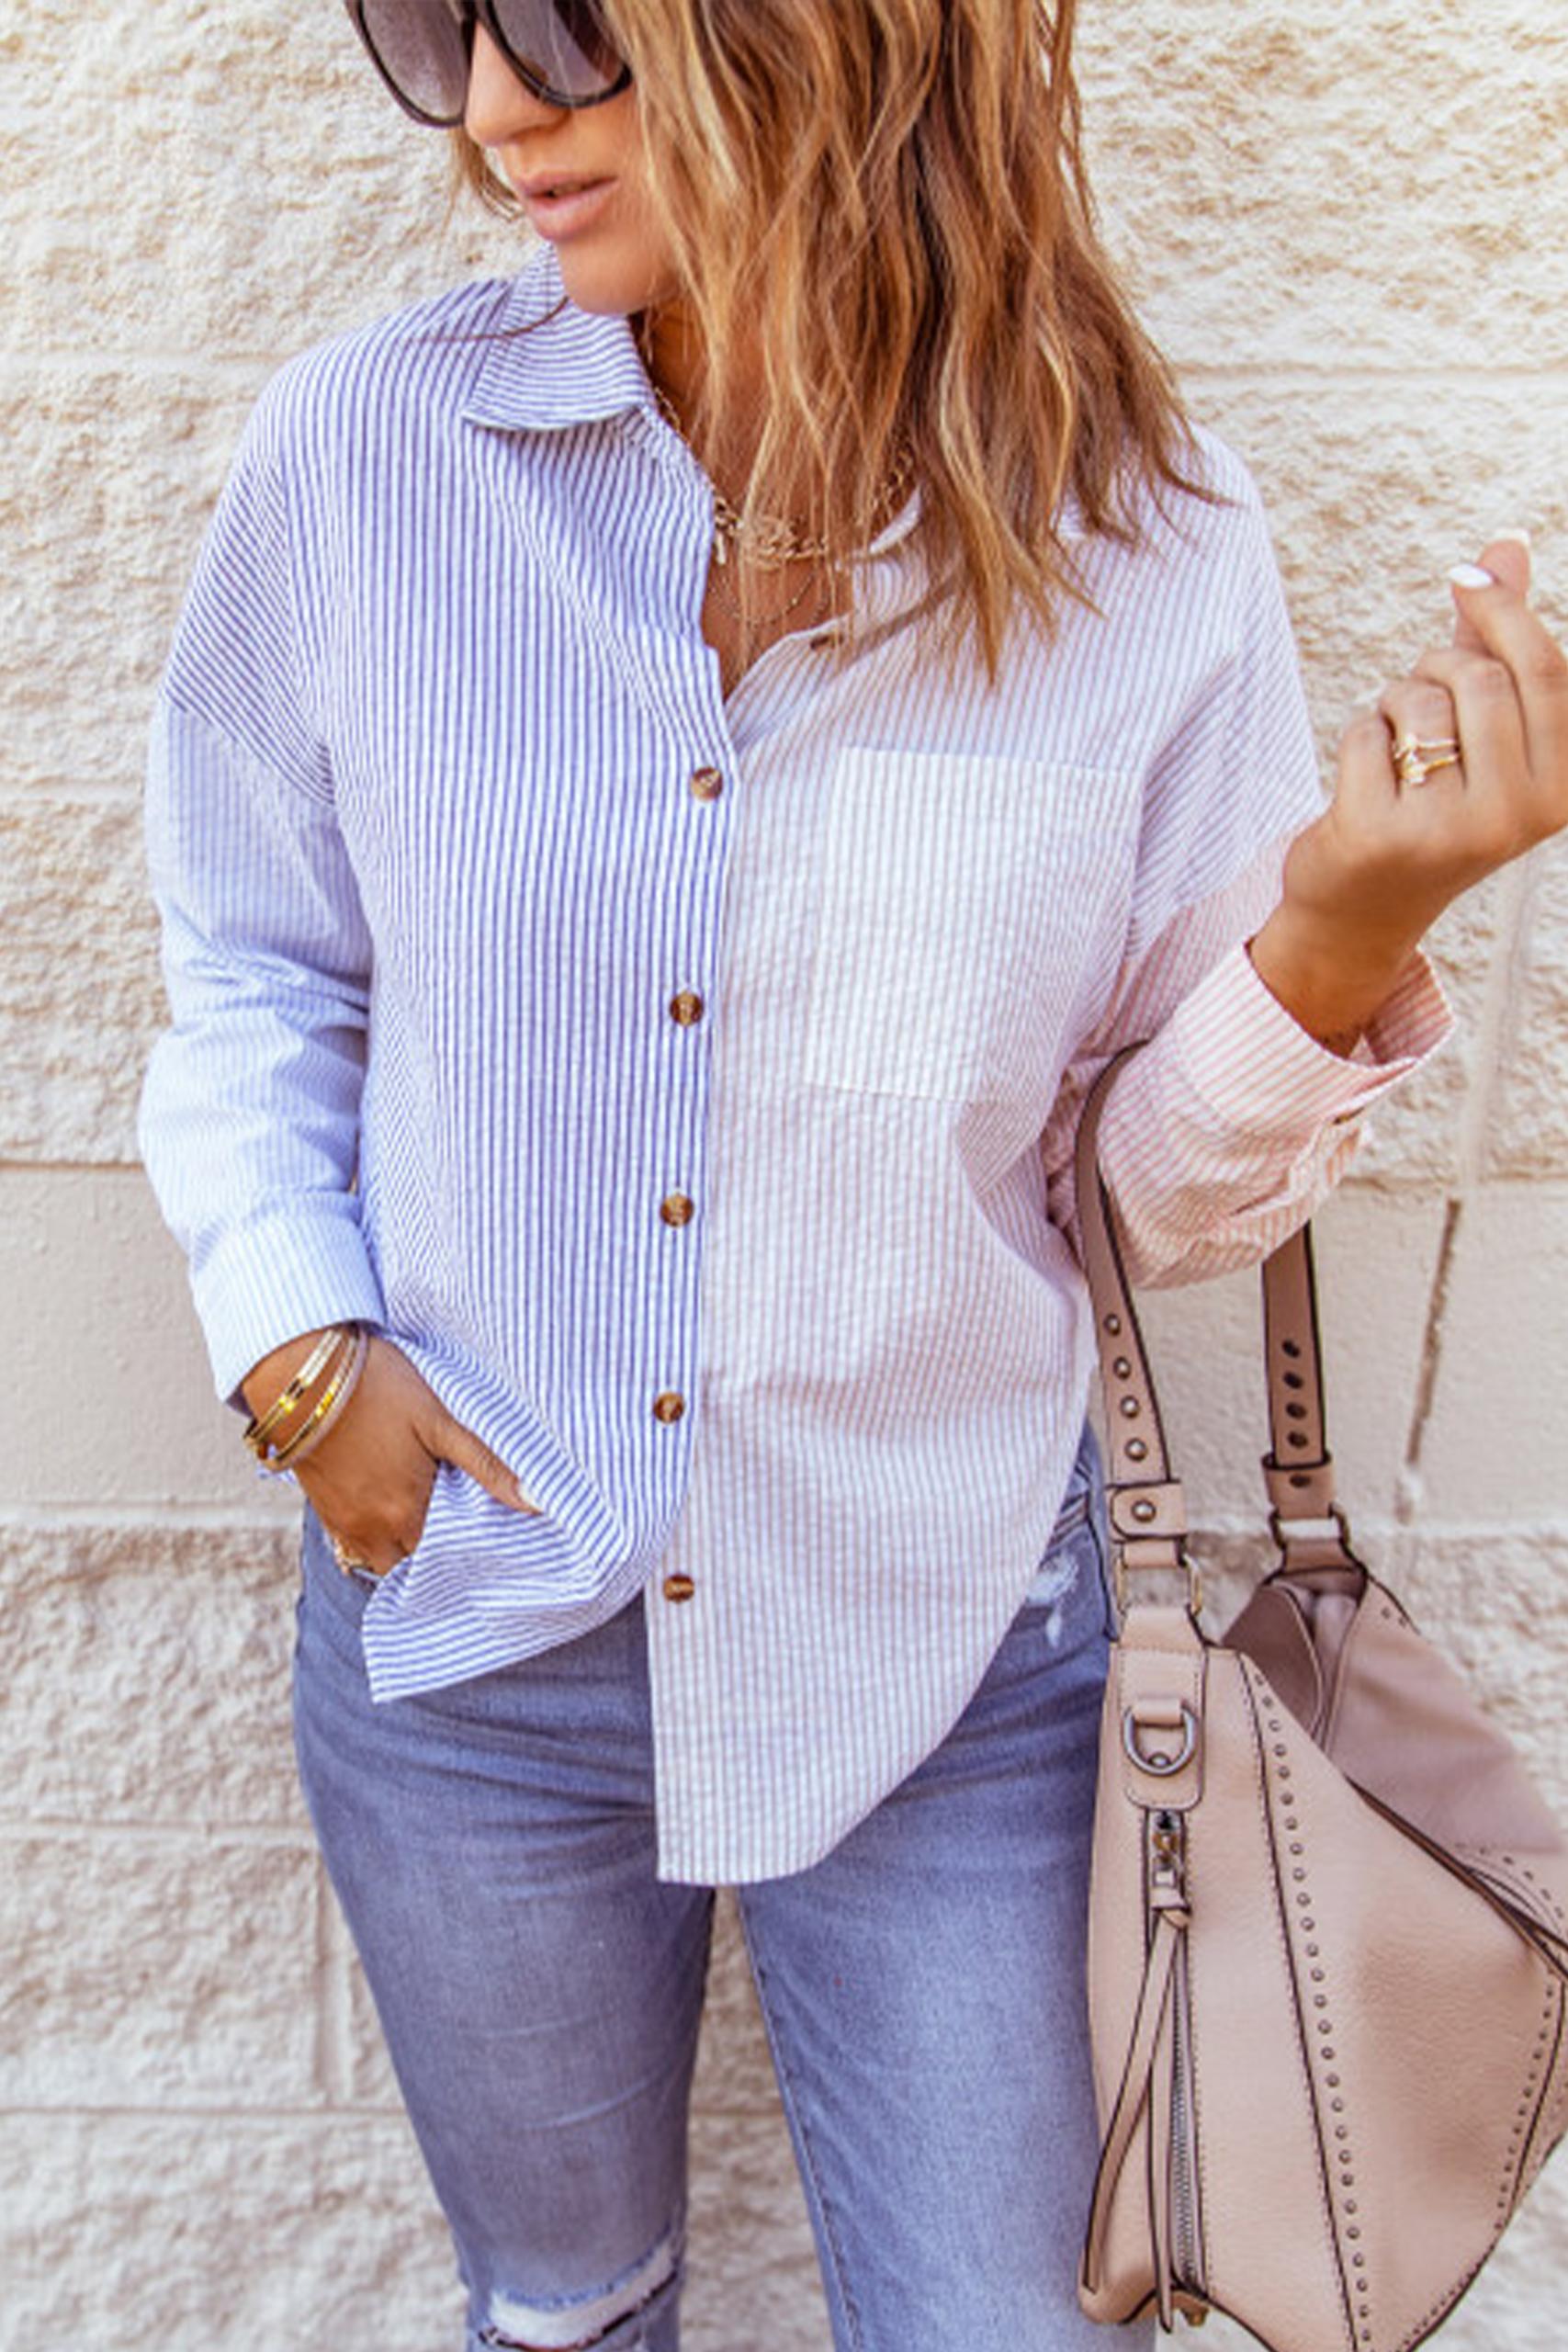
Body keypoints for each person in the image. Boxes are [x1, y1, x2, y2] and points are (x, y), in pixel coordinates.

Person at [136, 3, 1568, 2346]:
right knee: (566, 2308)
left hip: (947, 1648)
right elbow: (256, 957)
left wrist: (1333, 935)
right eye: (437, 22)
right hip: (475, 1625)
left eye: (566, 28)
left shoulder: (1147, 540)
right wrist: (301, 1342)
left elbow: (1140, 1203)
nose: (491, 111)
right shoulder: (365, 459)